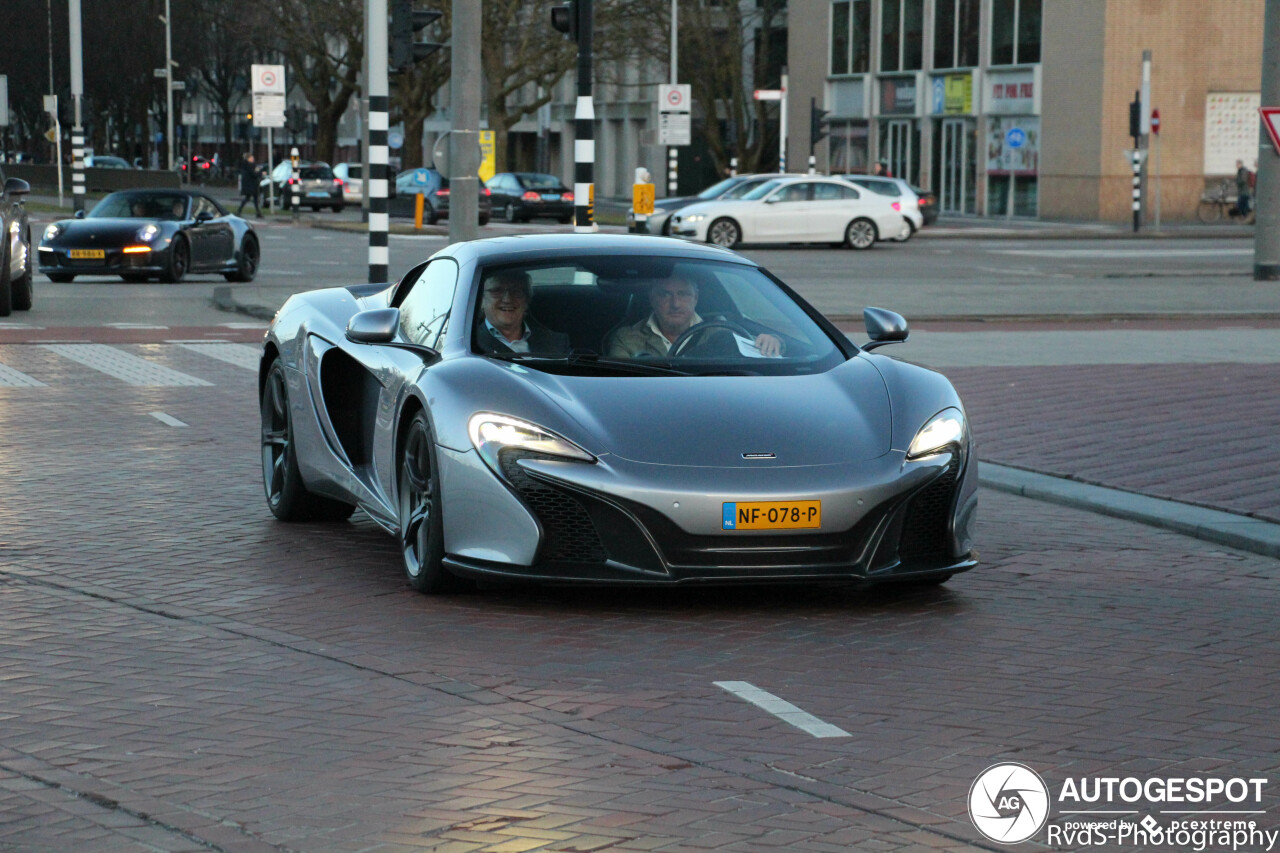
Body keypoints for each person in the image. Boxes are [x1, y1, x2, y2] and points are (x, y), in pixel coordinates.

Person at [606, 277, 782, 359]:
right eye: (665, 295)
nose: (675, 303)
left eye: (683, 294)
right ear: (652, 299)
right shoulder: (627, 338)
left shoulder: (722, 331)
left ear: (696, 298)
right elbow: (620, 384)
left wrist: (774, 341)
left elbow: (753, 352)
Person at [473, 270, 570, 355]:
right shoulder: (469, 344)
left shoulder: (556, 343)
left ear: (526, 301)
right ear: (481, 300)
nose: (507, 299)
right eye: (497, 291)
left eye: (516, 291)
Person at [236, 153, 264, 218]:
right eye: (251, 158)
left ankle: (257, 212)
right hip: (250, 185)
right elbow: (253, 174)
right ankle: (239, 211)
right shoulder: (249, 166)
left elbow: (255, 172)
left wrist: (258, 171)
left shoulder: (249, 165)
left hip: (252, 185)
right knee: (249, 198)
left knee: (255, 199)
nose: (253, 159)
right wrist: (260, 173)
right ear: (248, 159)